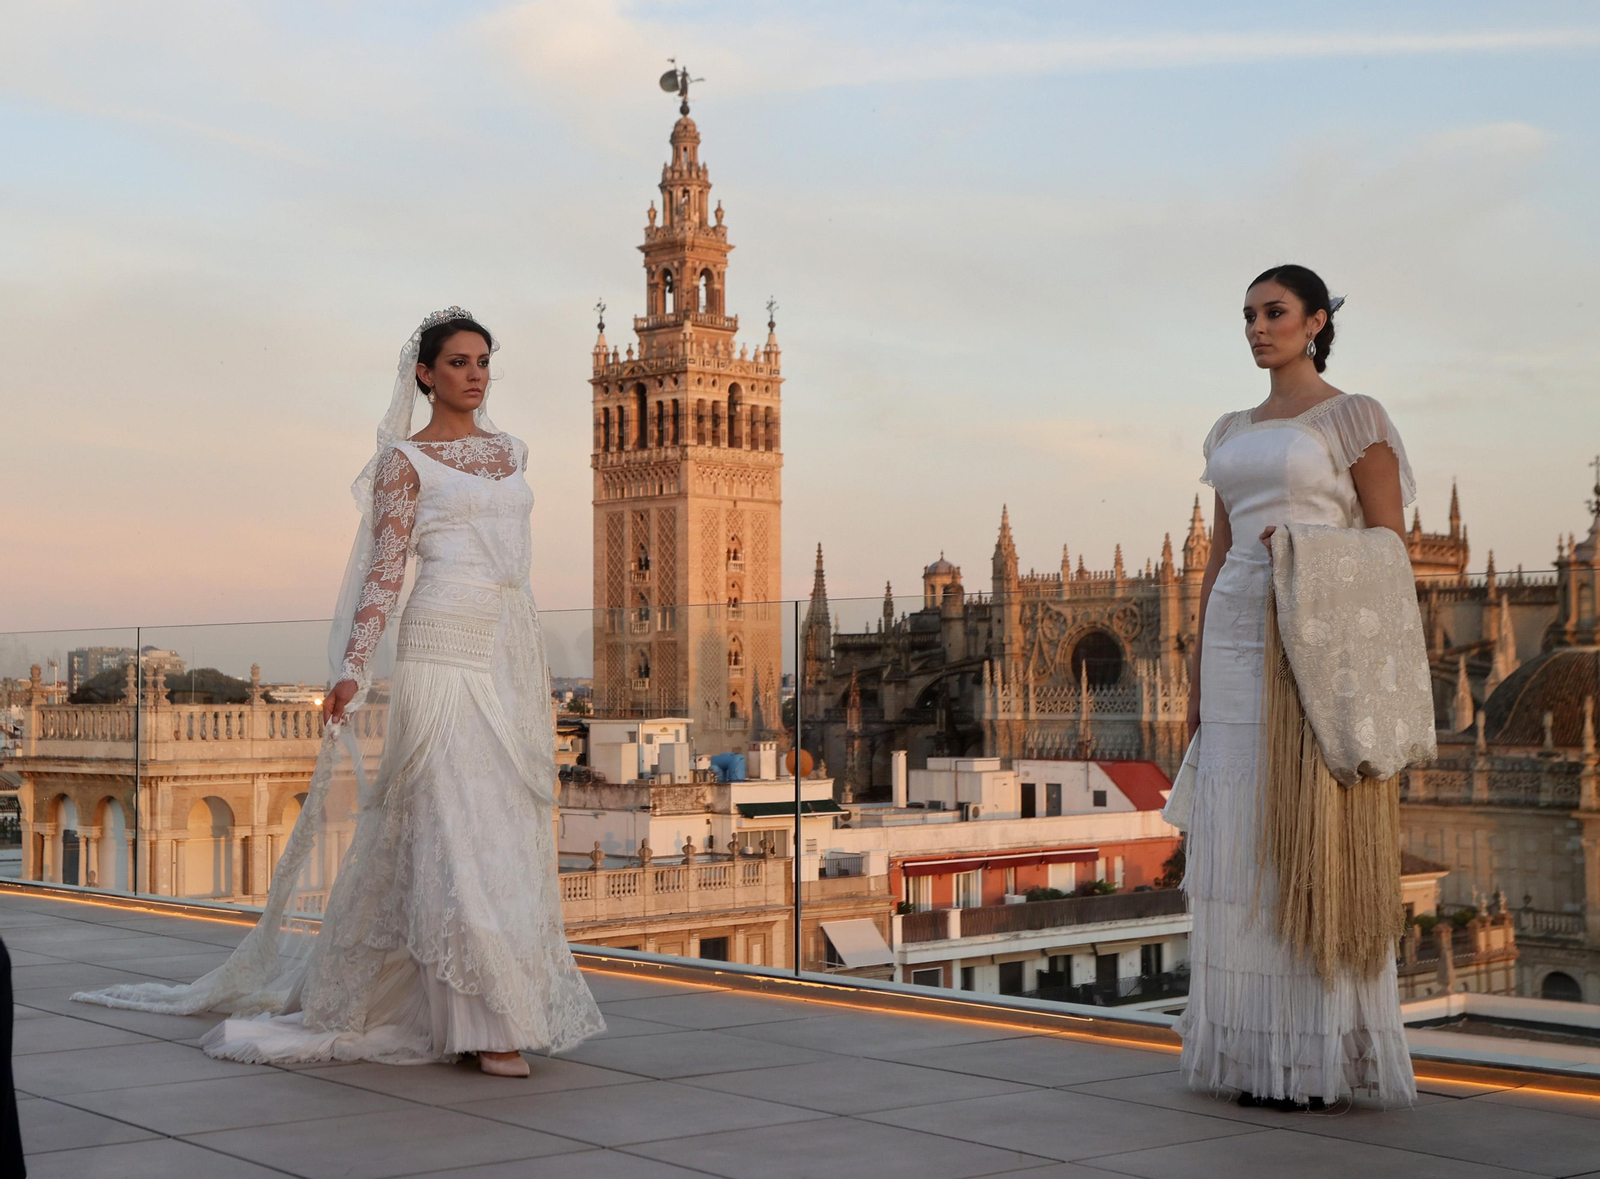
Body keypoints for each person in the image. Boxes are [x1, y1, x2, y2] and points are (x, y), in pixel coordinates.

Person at [76, 308, 605, 1076]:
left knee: (502, 825)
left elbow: (514, 555)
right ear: (425, 373)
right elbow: (385, 571)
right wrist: (354, 665)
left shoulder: (513, 451)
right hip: (439, 646)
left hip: (507, 645)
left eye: (483, 360)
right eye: (458, 361)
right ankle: (488, 1022)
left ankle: (472, 997)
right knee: (456, 820)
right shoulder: (404, 462)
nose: (475, 373)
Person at [1176, 265, 1417, 1110]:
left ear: (1316, 321)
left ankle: (1313, 1056)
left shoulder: (1355, 418)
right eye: (1247, 314)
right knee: (1241, 835)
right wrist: (1198, 681)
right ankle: (1252, 1056)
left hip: (1313, 637)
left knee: (1303, 830)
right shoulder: (1229, 428)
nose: (1257, 327)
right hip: (1239, 632)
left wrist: (1308, 554)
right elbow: (1215, 558)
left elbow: (1390, 545)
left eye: (1274, 312)